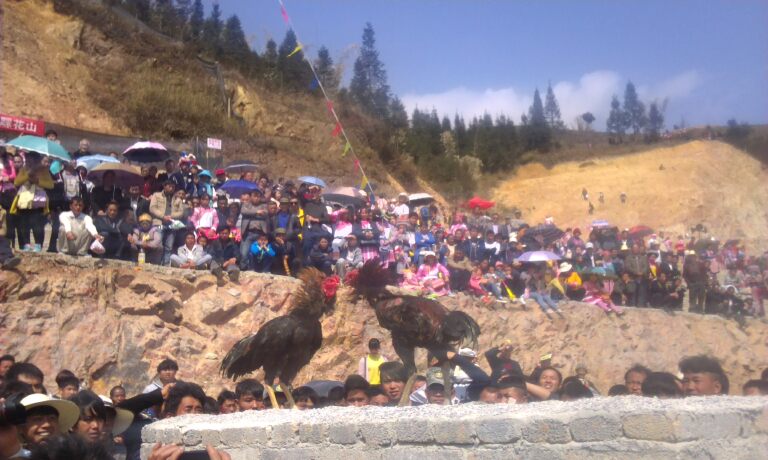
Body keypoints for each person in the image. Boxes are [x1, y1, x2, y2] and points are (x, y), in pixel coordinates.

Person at [149, 181, 185, 265]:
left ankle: (166, 265)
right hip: (159, 223)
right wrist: (163, 216)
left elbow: (181, 213)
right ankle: (156, 264)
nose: (171, 188)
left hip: (172, 225)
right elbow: (152, 208)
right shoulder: (156, 195)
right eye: (169, 186)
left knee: (169, 246)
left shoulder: (178, 199)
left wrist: (171, 216)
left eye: (173, 187)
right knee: (157, 244)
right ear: (164, 186)